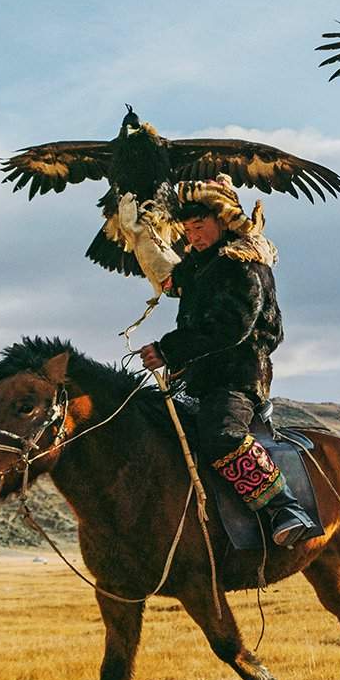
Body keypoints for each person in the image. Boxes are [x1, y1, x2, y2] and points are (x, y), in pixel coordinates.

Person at [139, 177, 320, 547]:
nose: (193, 236)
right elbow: (172, 281)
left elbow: (230, 327)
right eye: (187, 230)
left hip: (236, 379)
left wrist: (169, 350)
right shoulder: (200, 266)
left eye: (200, 226)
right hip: (196, 379)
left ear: (222, 221)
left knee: (222, 437)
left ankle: (284, 508)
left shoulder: (243, 266)